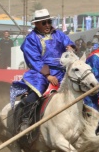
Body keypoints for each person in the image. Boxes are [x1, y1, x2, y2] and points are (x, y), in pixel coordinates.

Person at [9, 8, 75, 142]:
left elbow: (68, 43)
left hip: (61, 70)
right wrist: (47, 76)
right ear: (36, 24)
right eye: (44, 23)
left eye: (49, 22)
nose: (47, 25)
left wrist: (70, 47)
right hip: (40, 72)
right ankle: (25, 120)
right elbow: (34, 59)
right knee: (37, 92)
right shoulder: (31, 39)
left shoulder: (58, 34)